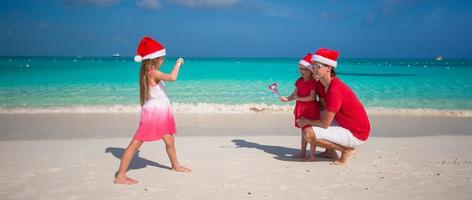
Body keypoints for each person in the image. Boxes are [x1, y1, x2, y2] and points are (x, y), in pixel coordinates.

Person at [114, 36, 191, 185]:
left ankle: (175, 166)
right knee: (136, 144)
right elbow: (172, 77)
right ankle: (120, 175)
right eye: (161, 58)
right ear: (154, 59)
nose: (163, 60)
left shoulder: (146, 71)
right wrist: (178, 63)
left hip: (160, 112)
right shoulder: (153, 73)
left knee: (169, 139)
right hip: (154, 114)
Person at [297, 48, 370, 166]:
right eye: (312, 66)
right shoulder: (322, 84)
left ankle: (347, 150)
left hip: (356, 133)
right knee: (316, 112)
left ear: (328, 68)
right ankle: (330, 152)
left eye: (317, 66)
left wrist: (306, 121)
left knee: (308, 133)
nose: (313, 69)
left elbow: (325, 124)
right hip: (344, 124)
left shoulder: (335, 90)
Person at [280, 53, 323, 161]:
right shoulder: (299, 81)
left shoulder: (313, 82)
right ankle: (302, 152)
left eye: (305, 69)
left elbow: (312, 98)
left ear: (311, 70)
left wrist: (298, 99)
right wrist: (287, 99)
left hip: (311, 109)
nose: (302, 71)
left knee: (311, 131)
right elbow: (294, 94)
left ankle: (312, 155)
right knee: (303, 131)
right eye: (300, 69)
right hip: (301, 108)